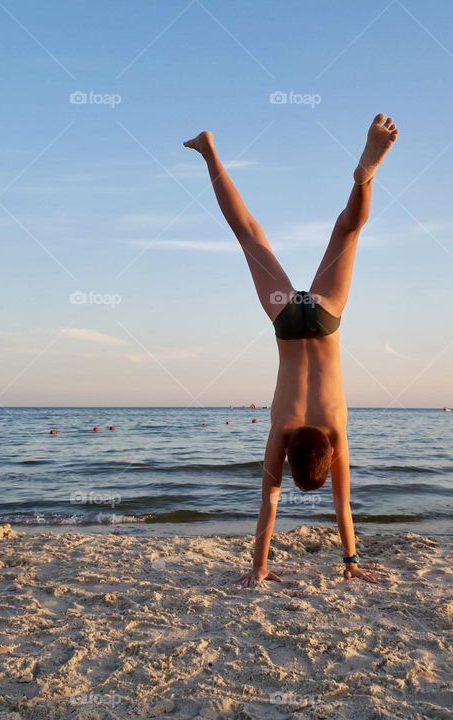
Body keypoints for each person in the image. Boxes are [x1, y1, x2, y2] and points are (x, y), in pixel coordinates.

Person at [184, 114, 399, 586]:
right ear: (291, 457)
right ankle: (209, 150)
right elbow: (270, 501)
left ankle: (365, 179)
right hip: (286, 318)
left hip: (322, 318)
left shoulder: (334, 430)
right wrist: (258, 567)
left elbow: (342, 504)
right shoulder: (282, 429)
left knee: (347, 232)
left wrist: (350, 561)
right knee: (249, 235)